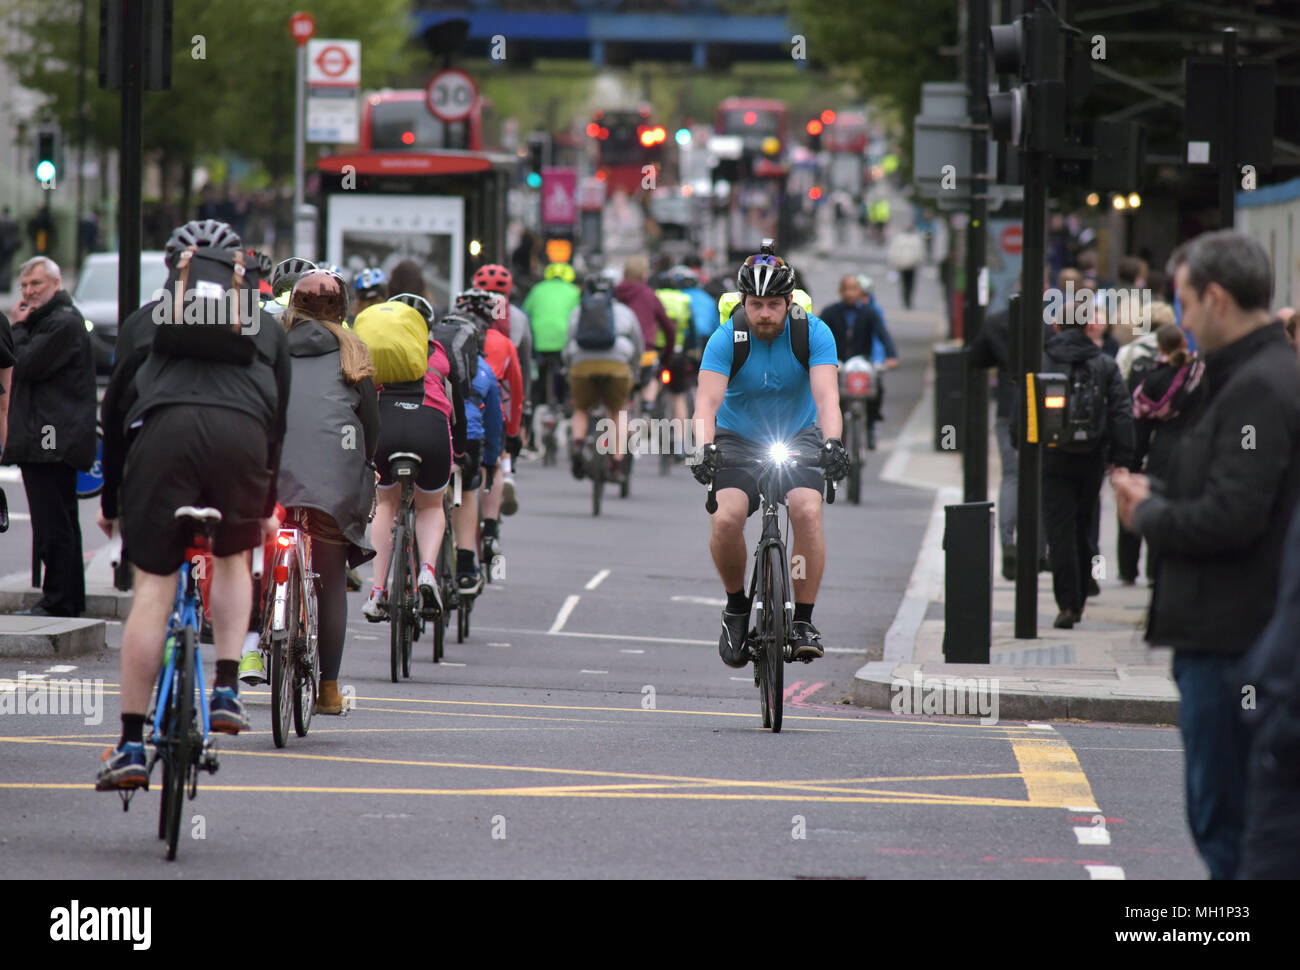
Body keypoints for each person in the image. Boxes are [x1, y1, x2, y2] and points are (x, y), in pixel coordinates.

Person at [1113, 230, 1300, 881]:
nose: (1182, 320)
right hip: (1231, 636)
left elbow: (1234, 517)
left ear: (1216, 298)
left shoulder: (1257, 387)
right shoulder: (1248, 378)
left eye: (1186, 303)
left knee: (1230, 832)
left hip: (1233, 643)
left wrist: (1149, 512)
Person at [96, 219, 291, 789]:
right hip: (243, 441)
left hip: (166, 439)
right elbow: (280, 419)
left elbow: (114, 416)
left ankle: (132, 744)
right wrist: (265, 499)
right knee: (231, 559)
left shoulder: (145, 320)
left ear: (175, 270)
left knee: (154, 587)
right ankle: (228, 687)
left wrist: (115, 500)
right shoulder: (263, 327)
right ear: (236, 271)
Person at [691, 244, 848, 666]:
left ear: (789, 302)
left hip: (797, 435)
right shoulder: (726, 338)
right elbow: (705, 403)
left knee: (806, 510)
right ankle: (737, 607)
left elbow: (828, 397)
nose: (765, 313)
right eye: (756, 304)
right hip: (737, 438)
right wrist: (703, 449)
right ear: (743, 302)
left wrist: (833, 442)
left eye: (774, 305)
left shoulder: (813, 333)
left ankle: (803, 620)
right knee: (725, 518)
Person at [243, 271, 379, 712]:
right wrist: (368, 465)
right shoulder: (354, 351)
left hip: (272, 471)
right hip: (332, 481)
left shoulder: (269, 346)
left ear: (293, 307)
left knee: (252, 559)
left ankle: (249, 644)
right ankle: (329, 690)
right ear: (342, 310)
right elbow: (371, 429)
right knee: (331, 581)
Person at [2, 257, 97, 618]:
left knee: (52, 521)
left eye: (36, 285)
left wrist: (19, 327)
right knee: (58, 519)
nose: (28, 292)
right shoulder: (52, 321)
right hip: (49, 432)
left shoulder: (62, 323)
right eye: (25, 285)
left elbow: (23, 362)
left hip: (50, 437)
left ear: (55, 285)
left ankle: (59, 600)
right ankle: (67, 598)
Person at [361, 298, 466, 622]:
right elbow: (458, 408)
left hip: (386, 426)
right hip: (430, 428)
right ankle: (428, 573)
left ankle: (378, 591)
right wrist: (461, 452)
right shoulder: (439, 353)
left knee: (387, 504)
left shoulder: (377, 353)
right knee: (431, 506)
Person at [1038, 310, 1133, 629]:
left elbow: (1025, 402)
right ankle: (1082, 590)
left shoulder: (1043, 360)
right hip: (1092, 453)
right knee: (1084, 521)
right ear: (1090, 326)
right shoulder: (1104, 363)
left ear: (1055, 325)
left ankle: (1067, 603)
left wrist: (1019, 440)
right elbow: (1121, 410)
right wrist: (1123, 457)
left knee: (1059, 528)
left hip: (1053, 453)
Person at [454, 288, 522, 557]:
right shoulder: (503, 343)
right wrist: (514, 432)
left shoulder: (445, 338)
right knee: (489, 464)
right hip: (483, 412)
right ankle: (491, 528)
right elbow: (515, 392)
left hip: (448, 415)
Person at [563, 274, 643, 480]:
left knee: (581, 408)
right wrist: (634, 371)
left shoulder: (578, 311)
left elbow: (568, 345)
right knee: (618, 411)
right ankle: (616, 464)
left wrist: (569, 368)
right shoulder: (625, 312)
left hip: (582, 365)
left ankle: (578, 445)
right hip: (617, 366)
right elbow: (638, 346)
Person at [818, 274, 898, 449]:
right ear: (840, 291)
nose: (849, 293)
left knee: (877, 386)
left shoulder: (869, 312)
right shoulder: (830, 312)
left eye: (853, 289)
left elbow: (882, 334)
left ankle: (871, 424)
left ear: (860, 292)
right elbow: (816, 334)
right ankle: (838, 436)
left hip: (863, 361)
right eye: (846, 289)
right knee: (833, 398)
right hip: (837, 363)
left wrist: (891, 356)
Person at [615, 255, 676, 411]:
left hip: (620, 354)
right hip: (646, 354)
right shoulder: (649, 294)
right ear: (643, 274)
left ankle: (623, 417)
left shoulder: (614, 294)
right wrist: (666, 356)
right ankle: (647, 411)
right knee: (651, 379)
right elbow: (668, 328)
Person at [523, 261, 581, 410]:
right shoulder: (574, 291)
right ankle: (562, 402)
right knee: (563, 370)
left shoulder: (537, 289)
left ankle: (535, 404)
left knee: (538, 374)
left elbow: (525, 312)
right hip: (562, 340)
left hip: (538, 341)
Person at [887, 222, 925, 310]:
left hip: (912, 265)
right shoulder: (900, 239)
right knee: (904, 283)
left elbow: (920, 253)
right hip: (903, 265)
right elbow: (894, 251)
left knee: (910, 284)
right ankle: (905, 299)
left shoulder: (916, 239)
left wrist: (918, 262)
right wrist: (894, 261)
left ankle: (908, 299)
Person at [0, 207, 19, 293]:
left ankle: (2, 285)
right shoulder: (13, 223)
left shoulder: (1, 223)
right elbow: (17, 236)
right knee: (8, 266)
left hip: (2, 248)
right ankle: (6, 286)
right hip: (10, 248)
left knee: (2, 266)